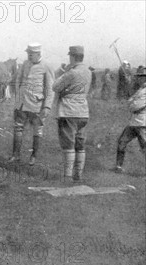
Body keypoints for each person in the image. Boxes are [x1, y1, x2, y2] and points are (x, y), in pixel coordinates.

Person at [9, 43, 55, 165]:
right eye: (28, 53)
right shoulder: (25, 64)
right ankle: (16, 155)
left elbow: (50, 89)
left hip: (36, 105)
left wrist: (47, 106)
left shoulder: (46, 66)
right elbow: (17, 80)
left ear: (38, 54)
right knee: (18, 128)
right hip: (22, 104)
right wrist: (17, 97)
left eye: (31, 54)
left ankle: (33, 156)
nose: (29, 56)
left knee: (37, 130)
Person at [52, 46, 92, 181]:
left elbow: (55, 86)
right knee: (80, 144)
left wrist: (64, 73)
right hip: (83, 112)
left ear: (73, 57)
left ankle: (68, 176)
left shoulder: (71, 73)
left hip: (68, 111)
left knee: (68, 144)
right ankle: (78, 175)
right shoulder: (88, 72)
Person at [113, 77, 146, 172]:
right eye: (139, 77)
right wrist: (131, 100)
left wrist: (132, 102)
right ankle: (118, 167)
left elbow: (135, 107)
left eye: (143, 77)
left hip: (143, 123)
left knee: (144, 146)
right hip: (133, 122)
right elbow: (130, 101)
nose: (140, 79)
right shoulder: (140, 89)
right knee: (121, 142)